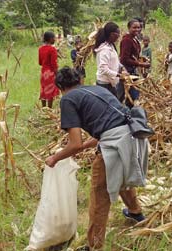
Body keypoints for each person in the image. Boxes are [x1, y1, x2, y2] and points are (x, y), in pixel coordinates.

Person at [46, 67, 148, 251]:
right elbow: (109, 125)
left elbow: (75, 143)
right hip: (134, 137)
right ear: (80, 81)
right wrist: (85, 146)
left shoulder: (68, 99)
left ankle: (94, 245)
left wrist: (55, 158)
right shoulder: (97, 89)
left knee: (99, 194)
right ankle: (135, 213)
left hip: (116, 145)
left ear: (60, 87)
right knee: (120, 174)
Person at [119, 19, 150, 106]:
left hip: (133, 71)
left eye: (139, 27)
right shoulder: (127, 40)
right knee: (125, 95)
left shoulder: (134, 39)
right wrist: (141, 64)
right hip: (127, 72)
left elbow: (132, 55)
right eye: (134, 27)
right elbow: (124, 59)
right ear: (129, 28)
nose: (137, 29)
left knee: (133, 96)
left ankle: (131, 113)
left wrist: (141, 58)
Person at [93, 22, 128, 98]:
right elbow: (103, 69)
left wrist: (122, 67)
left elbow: (116, 61)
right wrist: (119, 75)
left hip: (110, 83)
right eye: (117, 34)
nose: (119, 36)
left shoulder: (111, 46)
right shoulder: (104, 50)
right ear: (112, 34)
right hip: (105, 85)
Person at [38, 31, 59, 108]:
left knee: (43, 89)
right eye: (54, 38)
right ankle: (49, 109)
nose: (55, 39)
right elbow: (54, 64)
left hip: (43, 72)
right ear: (50, 39)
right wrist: (57, 74)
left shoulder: (40, 49)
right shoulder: (52, 49)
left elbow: (40, 62)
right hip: (50, 72)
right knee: (50, 90)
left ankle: (43, 108)